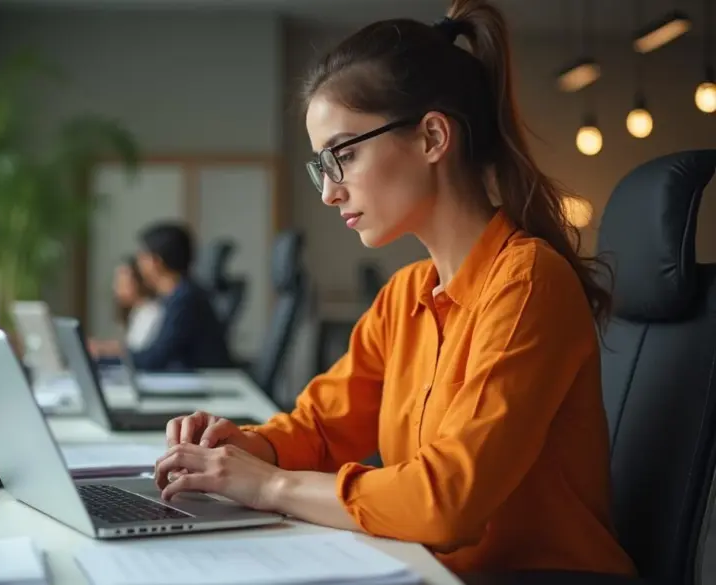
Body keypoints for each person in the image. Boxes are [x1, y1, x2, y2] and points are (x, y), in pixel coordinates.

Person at [152, 0, 636, 577]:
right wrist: (241, 447)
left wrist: (272, 484)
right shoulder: (407, 294)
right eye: (322, 167)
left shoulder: (528, 284)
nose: (330, 192)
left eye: (344, 156)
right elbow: (323, 425)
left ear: (433, 137)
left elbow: (446, 502)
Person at [93, 222, 232, 372]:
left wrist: (103, 357)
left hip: (206, 383)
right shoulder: (180, 295)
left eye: (142, 257)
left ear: (155, 262)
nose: (138, 264)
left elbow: (155, 358)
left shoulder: (184, 300)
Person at [114, 256, 163, 351]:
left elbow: (138, 351)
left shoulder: (151, 312)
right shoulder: (136, 312)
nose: (116, 288)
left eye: (122, 282)